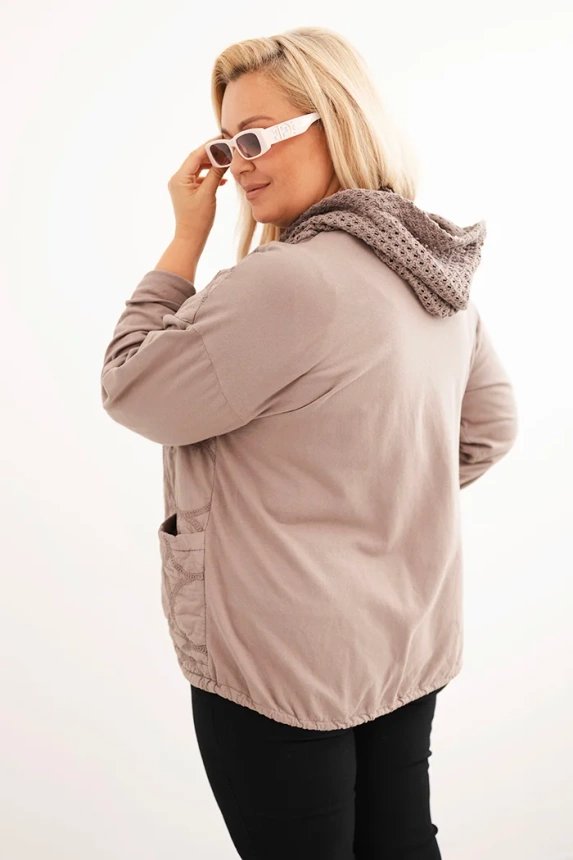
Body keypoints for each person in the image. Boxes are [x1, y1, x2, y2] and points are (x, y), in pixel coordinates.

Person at [100, 25, 519, 860]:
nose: (236, 165)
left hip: (279, 658)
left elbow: (132, 389)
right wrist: (376, 497)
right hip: (404, 638)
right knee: (400, 843)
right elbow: (488, 428)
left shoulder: (284, 279)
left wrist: (184, 240)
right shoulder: (428, 266)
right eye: (226, 144)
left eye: (256, 138)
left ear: (337, 121)